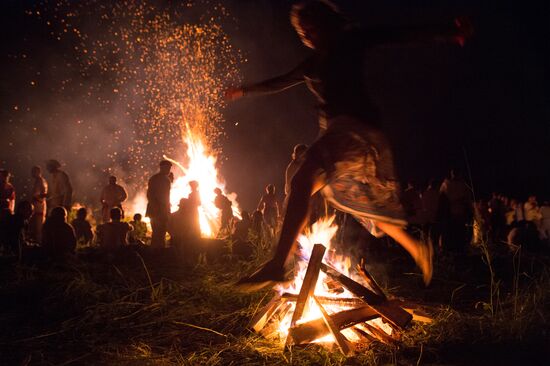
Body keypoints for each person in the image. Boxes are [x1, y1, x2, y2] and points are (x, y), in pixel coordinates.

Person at [227, 1, 470, 290]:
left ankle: (277, 264)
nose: (306, 34)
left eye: (311, 26)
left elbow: (396, 34)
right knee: (362, 203)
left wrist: (447, 31)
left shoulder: (349, 41)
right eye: (301, 31)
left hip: (356, 133)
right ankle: (417, 250)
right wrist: (244, 90)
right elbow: (279, 82)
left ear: (326, 22)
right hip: (340, 137)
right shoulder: (311, 63)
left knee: (303, 180)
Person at [439, 170, 473, 252]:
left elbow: (467, 200)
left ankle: (457, 251)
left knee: (457, 233)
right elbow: (442, 198)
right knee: (454, 233)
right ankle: (453, 251)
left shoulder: (461, 185)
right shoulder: (447, 184)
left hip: (458, 214)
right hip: (451, 214)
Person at [146, 160, 172, 249]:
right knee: (159, 232)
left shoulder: (161, 178)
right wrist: (159, 208)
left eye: (169, 168)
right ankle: (158, 253)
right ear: (162, 167)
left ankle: (155, 253)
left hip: (157, 210)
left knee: (158, 233)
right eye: (167, 167)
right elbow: (150, 194)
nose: (169, 169)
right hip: (158, 210)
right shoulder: (159, 179)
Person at [168, 198, 199, 263]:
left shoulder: (188, 216)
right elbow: (168, 226)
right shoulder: (175, 215)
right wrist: (173, 234)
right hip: (177, 238)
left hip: (184, 238)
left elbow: (191, 227)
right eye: (185, 206)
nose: (186, 208)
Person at [29, 166, 48, 243]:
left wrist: (37, 198)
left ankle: (39, 243)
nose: (32, 173)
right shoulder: (38, 181)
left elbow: (44, 194)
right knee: (35, 226)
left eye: (34, 171)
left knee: (38, 227)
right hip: (36, 205)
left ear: (38, 172)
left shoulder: (40, 181)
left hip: (39, 206)